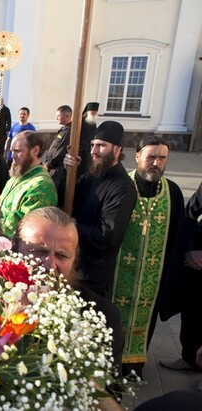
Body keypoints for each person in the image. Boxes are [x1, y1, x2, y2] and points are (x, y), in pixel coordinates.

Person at [14, 206, 124, 376]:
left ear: (74, 260)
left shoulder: (103, 317)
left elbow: (109, 387)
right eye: (39, 251)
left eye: (62, 255)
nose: (50, 265)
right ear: (15, 250)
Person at [110, 136, 185, 376]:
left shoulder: (172, 192)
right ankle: (111, 364)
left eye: (162, 158)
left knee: (145, 318)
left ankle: (134, 367)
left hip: (152, 276)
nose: (156, 163)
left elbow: (178, 235)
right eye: (151, 157)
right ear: (137, 156)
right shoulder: (122, 185)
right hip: (118, 272)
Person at [67, 121, 136, 300]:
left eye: (101, 146)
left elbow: (107, 237)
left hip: (93, 277)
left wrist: (72, 227)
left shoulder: (122, 188)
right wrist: (68, 171)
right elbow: (68, 197)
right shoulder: (93, 174)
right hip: (75, 267)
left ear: (118, 149)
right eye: (93, 145)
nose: (94, 151)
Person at [160, 179, 202, 375]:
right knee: (193, 310)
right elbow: (189, 214)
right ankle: (191, 358)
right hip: (197, 262)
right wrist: (190, 248)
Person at [0, 131, 57, 238]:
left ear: (35, 151)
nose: (12, 156)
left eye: (17, 151)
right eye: (12, 151)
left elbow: (24, 222)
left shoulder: (42, 185)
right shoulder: (15, 177)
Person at [41, 105, 73, 205]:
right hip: (52, 167)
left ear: (67, 116)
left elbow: (61, 151)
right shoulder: (63, 130)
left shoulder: (68, 131)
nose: (56, 118)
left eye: (58, 116)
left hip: (57, 169)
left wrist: (48, 164)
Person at [79, 102, 100, 175]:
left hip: (90, 148)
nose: (94, 114)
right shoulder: (81, 121)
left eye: (95, 113)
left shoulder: (93, 121)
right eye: (92, 113)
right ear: (88, 112)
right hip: (82, 149)